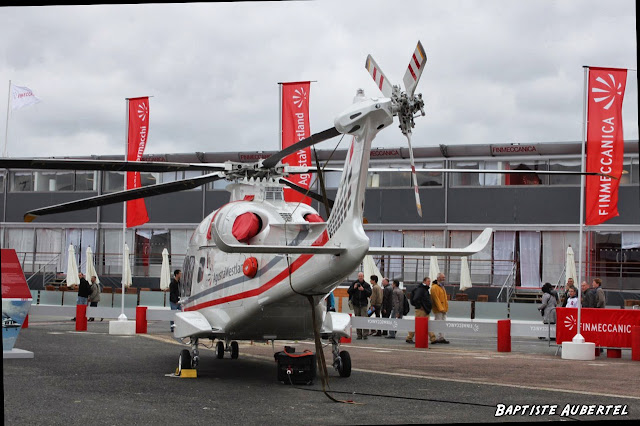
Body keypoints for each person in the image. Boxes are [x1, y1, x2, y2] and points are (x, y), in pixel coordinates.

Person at [406, 277, 432, 344]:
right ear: (424, 281)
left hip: (424, 309)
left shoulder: (423, 289)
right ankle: (409, 337)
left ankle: (433, 338)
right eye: (428, 281)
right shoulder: (421, 289)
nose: (429, 283)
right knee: (419, 324)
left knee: (426, 324)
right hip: (422, 310)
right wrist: (420, 306)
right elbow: (416, 299)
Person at [347, 272, 372, 340]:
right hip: (356, 304)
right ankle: (359, 334)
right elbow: (349, 291)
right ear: (358, 277)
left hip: (363, 304)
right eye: (359, 276)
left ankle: (365, 334)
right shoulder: (354, 283)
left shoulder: (366, 285)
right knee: (357, 319)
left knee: (364, 319)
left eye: (361, 276)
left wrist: (363, 289)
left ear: (363, 277)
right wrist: (354, 288)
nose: (360, 277)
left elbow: (369, 293)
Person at [430, 273, 450, 344]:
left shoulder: (441, 287)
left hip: (443, 309)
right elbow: (436, 299)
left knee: (442, 323)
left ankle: (441, 337)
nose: (444, 279)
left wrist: (445, 308)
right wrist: (441, 308)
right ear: (438, 278)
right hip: (439, 309)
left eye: (444, 278)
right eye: (442, 277)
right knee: (438, 323)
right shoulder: (435, 287)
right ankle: (435, 337)